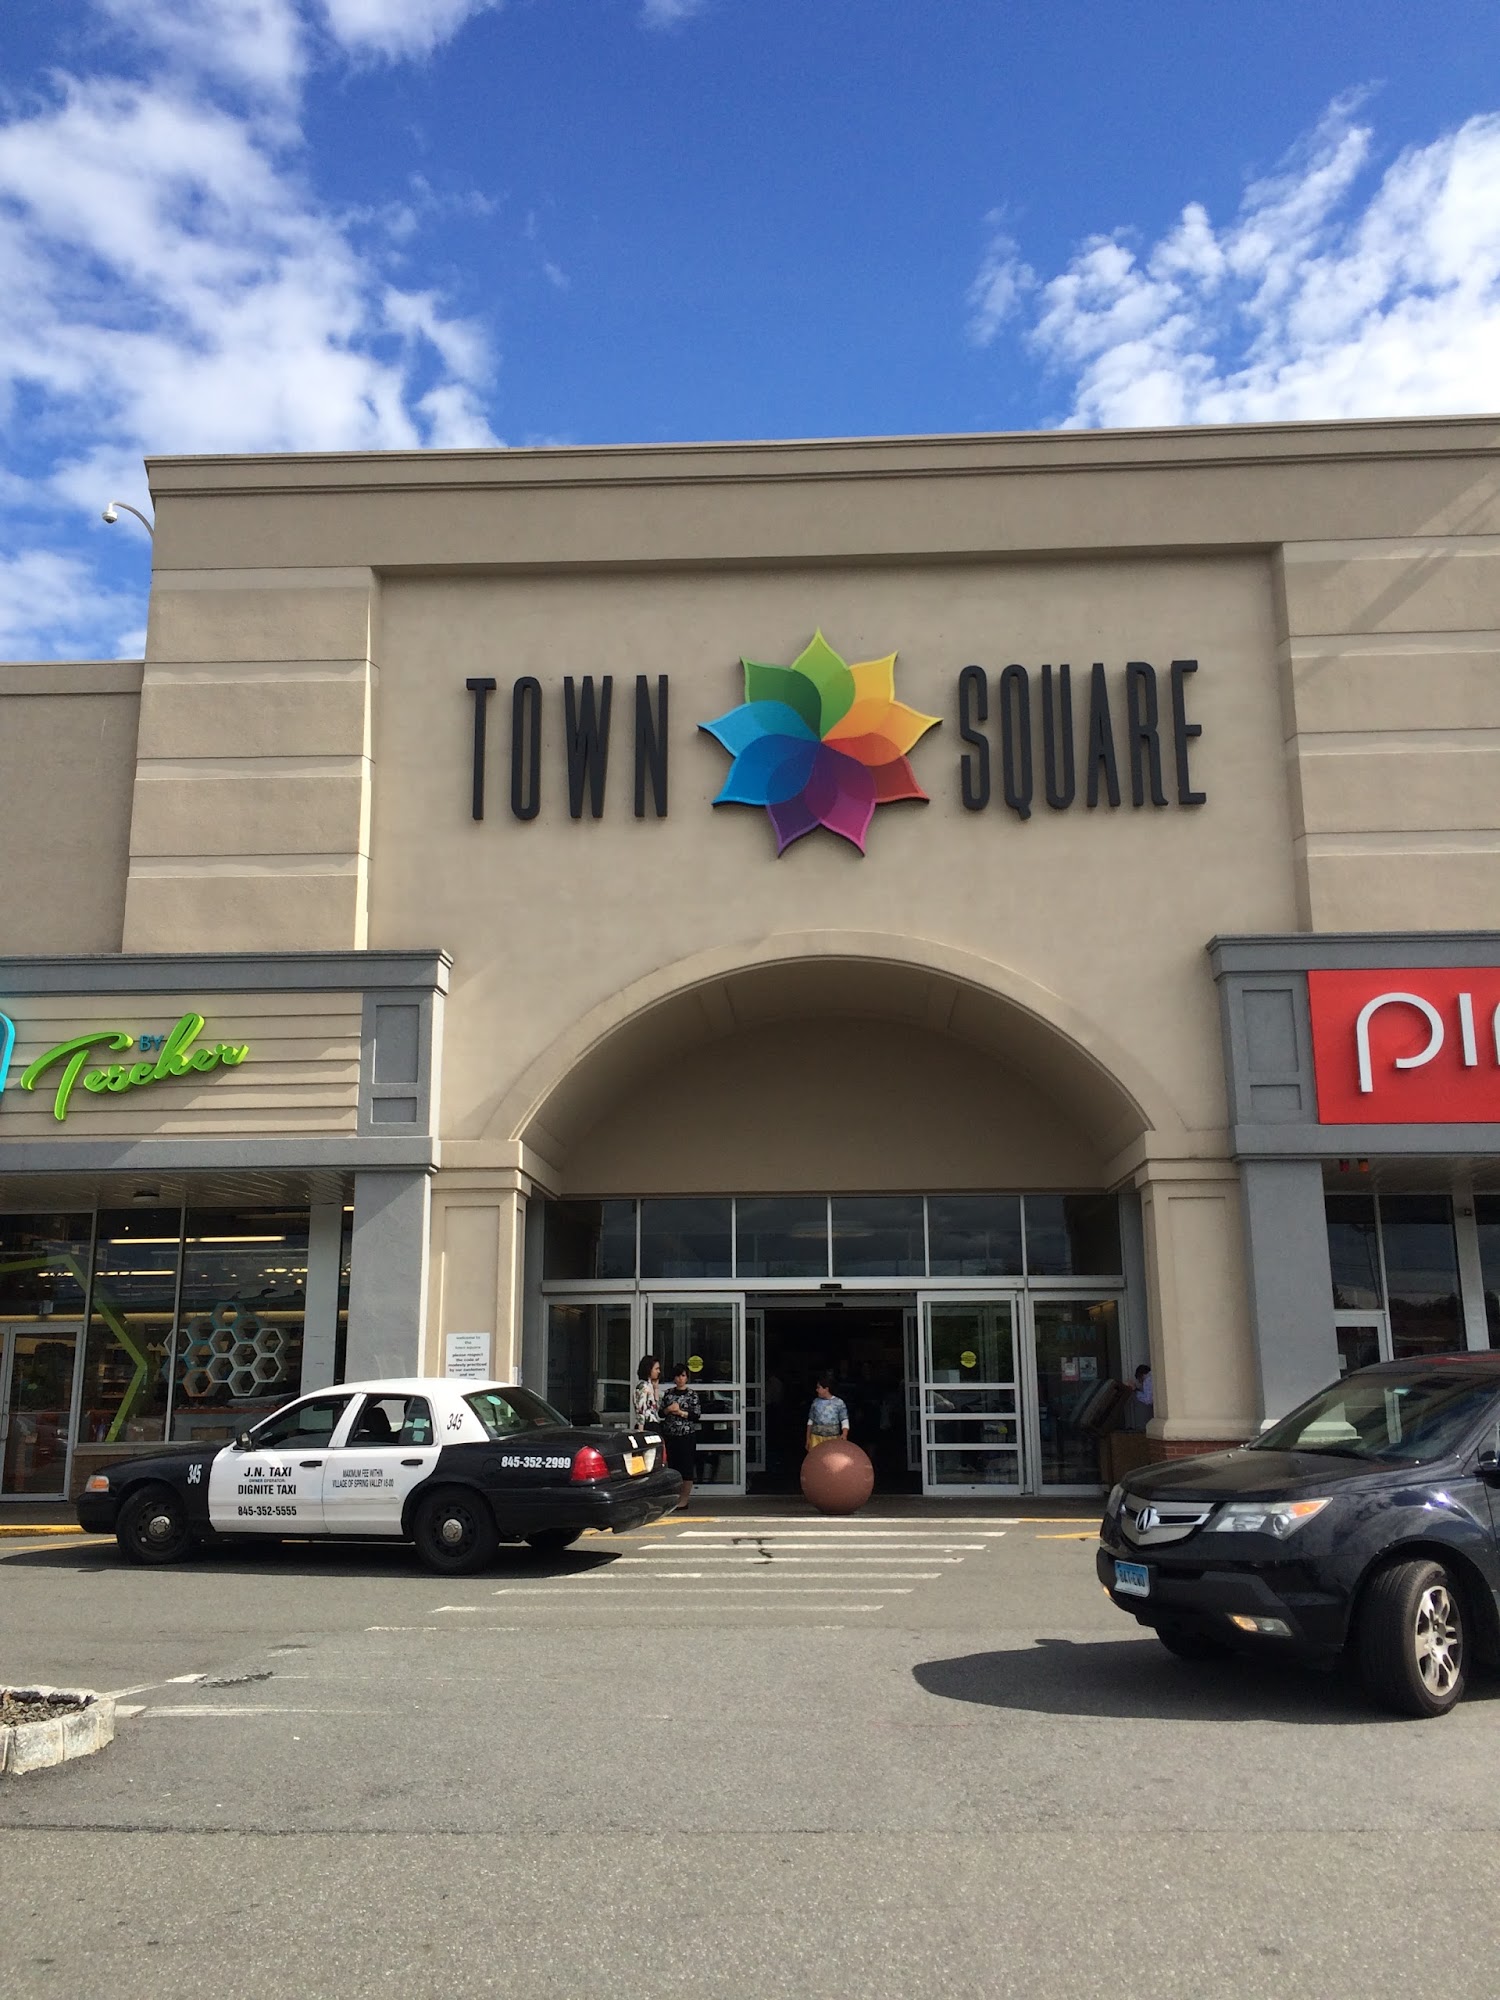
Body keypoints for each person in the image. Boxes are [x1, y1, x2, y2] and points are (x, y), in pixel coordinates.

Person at [659, 1361, 701, 1511]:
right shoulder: (668, 1394)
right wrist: (669, 1409)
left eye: (683, 1376)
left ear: (687, 1377)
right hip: (670, 1435)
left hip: (686, 1435)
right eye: (677, 1376)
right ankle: (673, 1498)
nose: (680, 1379)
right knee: (672, 1466)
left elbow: (696, 1415)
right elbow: (661, 1413)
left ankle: (684, 1499)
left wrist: (680, 1412)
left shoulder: (692, 1395)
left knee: (686, 1467)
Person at [805, 1374, 850, 1453]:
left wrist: (844, 1434)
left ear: (826, 1389)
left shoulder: (839, 1403)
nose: (816, 1390)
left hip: (833, 1438)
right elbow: (810, 1421)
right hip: (816, 1438)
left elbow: (844, 1420)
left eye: (819, 1387)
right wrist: (808, 1438)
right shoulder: (815, 1402)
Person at [632, 1354, 662, 1430]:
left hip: (654, 1423)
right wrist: (641, 1431)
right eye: (656, 1369)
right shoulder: (643, 1386)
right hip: (647, 1425)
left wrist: (656, 1389)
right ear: (649, 1369)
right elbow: (640, 1410)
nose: (658, 1371)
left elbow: (655, 1408)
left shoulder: (649, 1385)